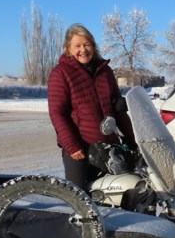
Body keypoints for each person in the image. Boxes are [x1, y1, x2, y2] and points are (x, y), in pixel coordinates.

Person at [48, 23, 135, 188]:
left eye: (87, 45)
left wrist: (132, 139)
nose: (83, 50)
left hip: (108, 146)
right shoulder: (61, 73)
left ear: (93, 46)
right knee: (79, 197)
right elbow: (57, 113)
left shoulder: (105, 72)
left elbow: (118, 110)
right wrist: (72, 146)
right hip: (80, 147)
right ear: (68, 48)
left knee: (119, 190)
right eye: (77, 46)